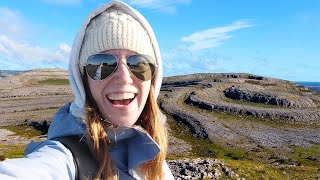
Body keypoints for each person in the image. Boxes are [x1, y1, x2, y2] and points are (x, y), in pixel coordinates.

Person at [0, 1, 174, 179]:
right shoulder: (64, 158)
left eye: (138, 63)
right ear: (82, 80)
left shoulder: (155, 158)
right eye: (101, 63)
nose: (124, 77)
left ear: (154, 76)